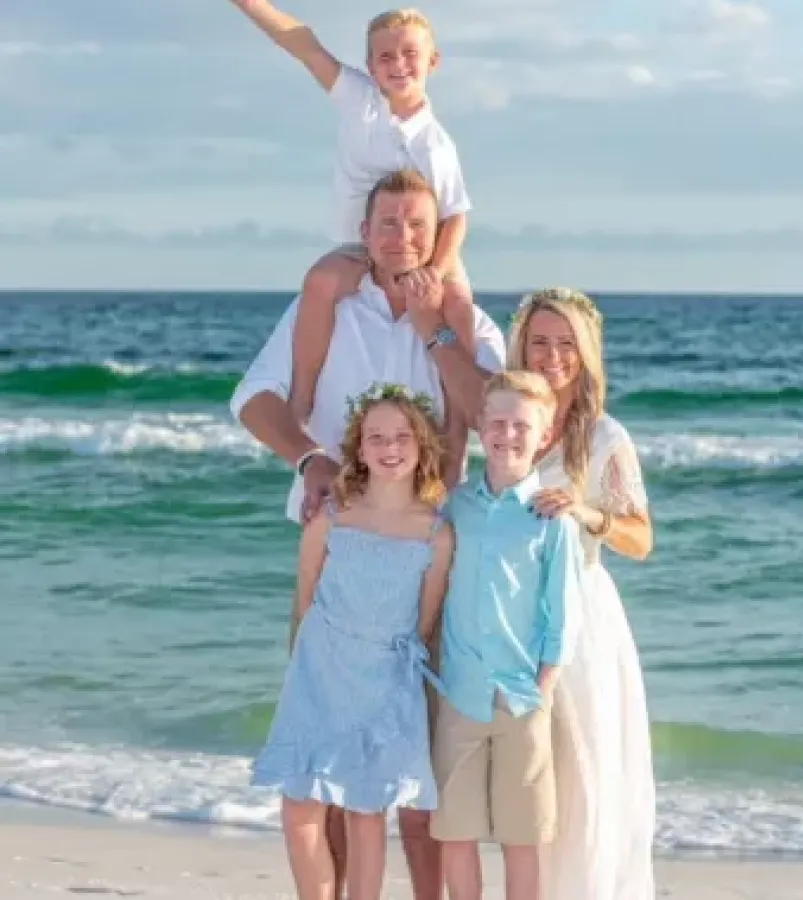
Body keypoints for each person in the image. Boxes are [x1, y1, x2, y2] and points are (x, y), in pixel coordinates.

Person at [230, 168, 505, 900]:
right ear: (364, 231)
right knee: (321, 787)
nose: (402, 237)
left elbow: (492, 414)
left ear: (440, 231)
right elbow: (252, 398)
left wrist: (438, 332)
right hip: (340, 550)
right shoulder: (328, 303)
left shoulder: (464, 317)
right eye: (388, 223)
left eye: (418, 223)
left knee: (409, 783)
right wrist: (311, 457)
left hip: (427, 551)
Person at [228, 1, 475, 489]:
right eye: (384, 56)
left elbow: (456, 217)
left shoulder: (436, 144)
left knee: (460, 313)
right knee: (321, 281)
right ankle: (301, 400)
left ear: (433, 62)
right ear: (369, 66)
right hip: (360, 247)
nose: (397, 64)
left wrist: (437, 274)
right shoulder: (359, 100)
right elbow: (302, 43)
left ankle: (455, 453)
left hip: (429, 251)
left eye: (409, 54)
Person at [252, 383, 453, 900]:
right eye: (377, 437)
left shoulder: (436, 532)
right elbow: (303, 602)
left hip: (386, 680)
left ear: (423, 443)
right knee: (299, 809)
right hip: (318, 674)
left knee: (367, 813)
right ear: (358, 449)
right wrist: (301, 674)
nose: (390, 447)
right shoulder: (333, 516)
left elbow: (425, 624)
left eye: (402, 436)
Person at [508, 287, 656, 900]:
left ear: (586, 352)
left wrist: (586, 513)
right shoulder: (505, 416)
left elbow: (640, 538)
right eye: (539, 341)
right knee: (530, 789)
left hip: (583, 620)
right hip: (511, 615)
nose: (551, 355)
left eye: (566, 343)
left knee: (585, 781)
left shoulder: (603, 436)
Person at [430, 370, 584, 900]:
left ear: (544, 436)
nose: (508, 434)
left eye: (521, 425)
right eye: (497, 422)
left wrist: (541, 689)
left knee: (523, 839)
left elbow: (563, 617)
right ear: (479, 427)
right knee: (455, 833)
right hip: (461, 695)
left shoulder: (552, 519)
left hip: (523, 698)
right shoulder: (455, 506)